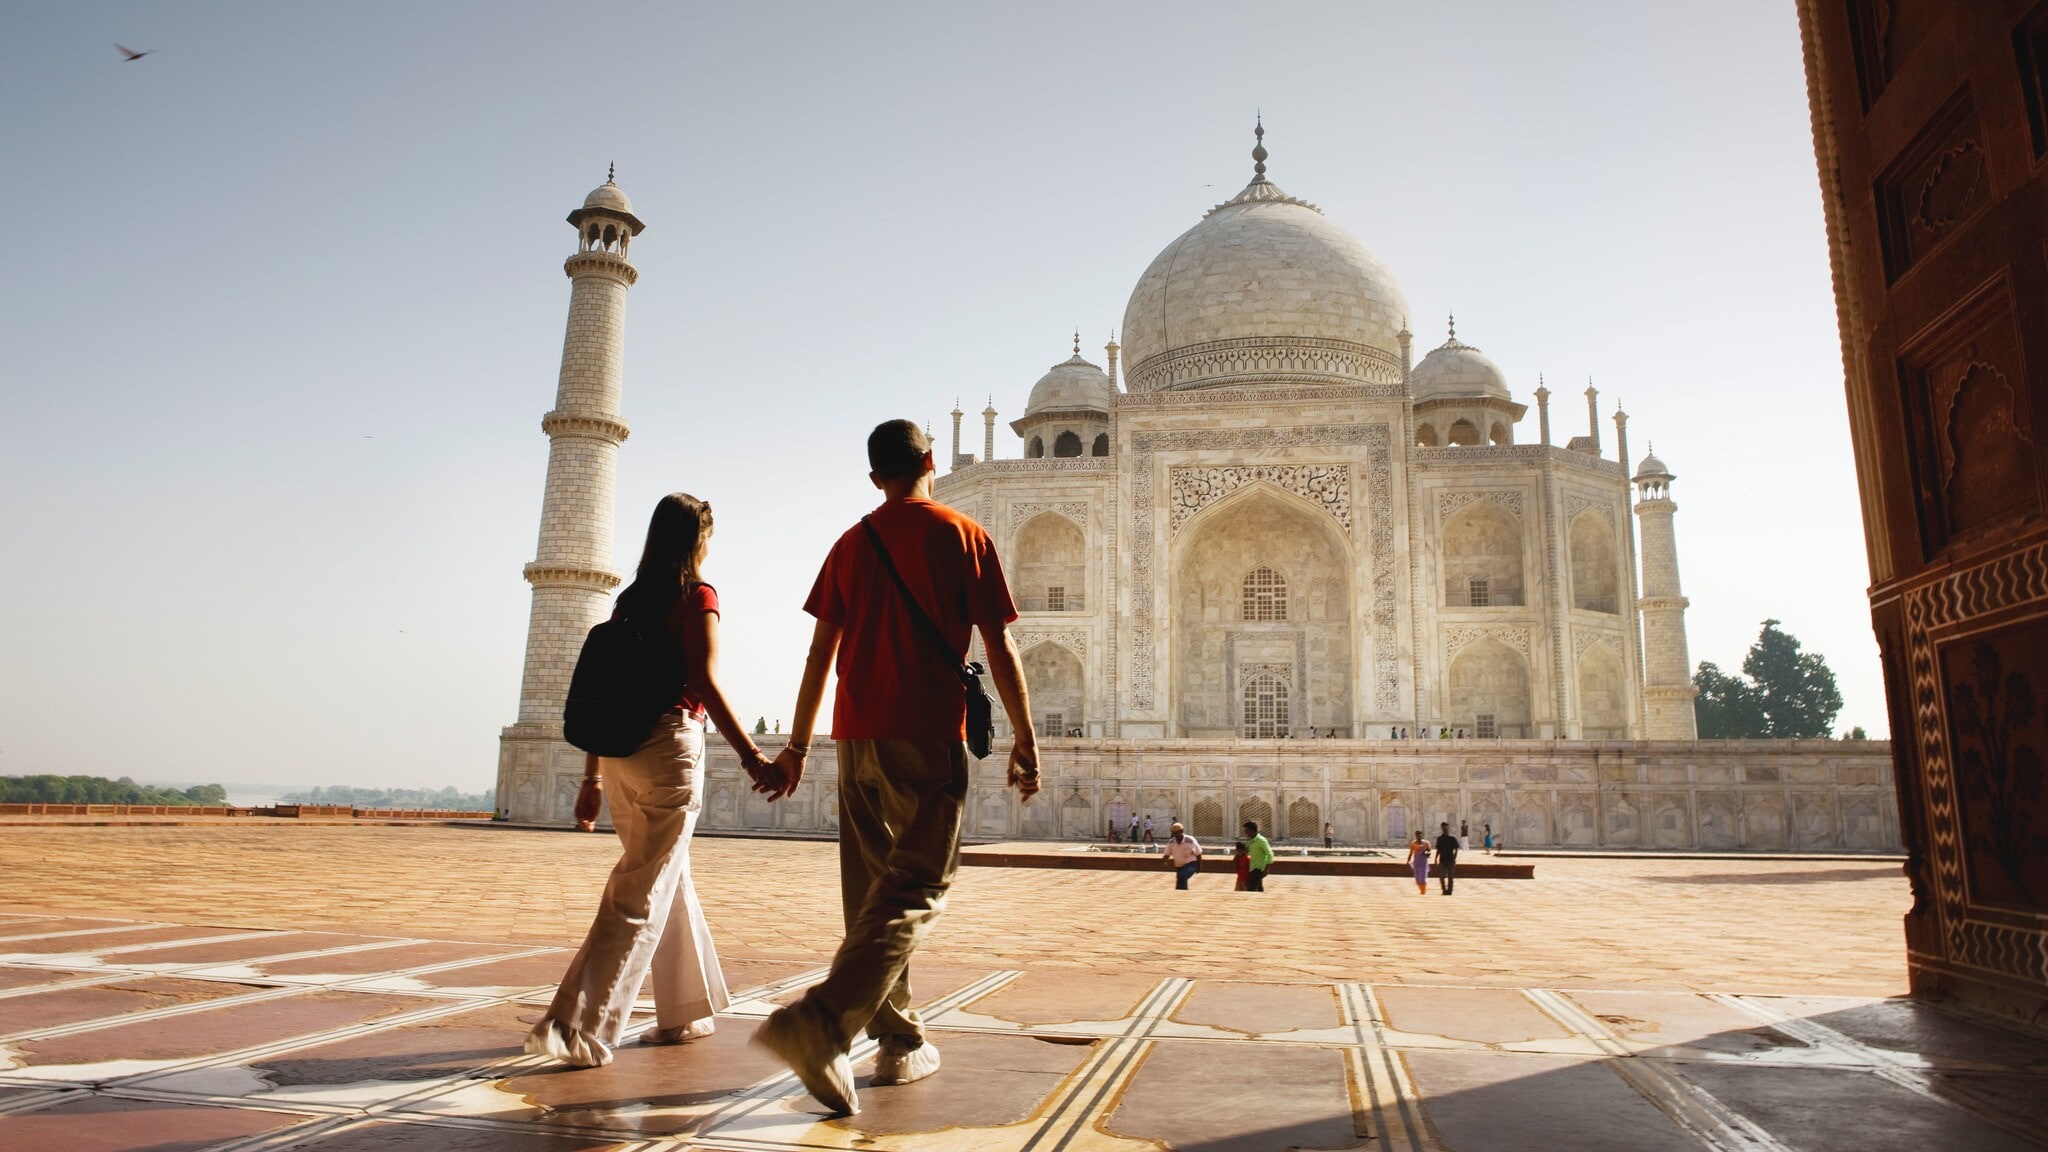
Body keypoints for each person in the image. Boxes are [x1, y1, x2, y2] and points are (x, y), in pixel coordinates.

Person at [751, 420, 1039, 1116]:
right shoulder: (962, 535)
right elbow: (998, 647)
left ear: (875, 477)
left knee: (873, 890)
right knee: (918, 885)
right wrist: (1026, 736)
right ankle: (824, 1024)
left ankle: (898, 1036)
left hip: (855, 736)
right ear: (932, 462)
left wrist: (796, 746)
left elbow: (819, 655)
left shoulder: (850, 543)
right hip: (926, 731)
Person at [526, 493, 766, 1069]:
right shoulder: (697, 596)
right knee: (640, 891)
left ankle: (686, 1009)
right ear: (699, 539)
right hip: (668, 749)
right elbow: (703, 680)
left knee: (664, 877)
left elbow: (604, 684)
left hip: (619, 755)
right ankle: (577, 1026)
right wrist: (754, 756)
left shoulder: (630, 599)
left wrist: (593, 777)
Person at [1162, 822, 1202, 889]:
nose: (1176, 835)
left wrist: (1199, 867)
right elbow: (1167, 854)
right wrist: (1165, 860)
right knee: (1180, 879)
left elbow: (1198, 853)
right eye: (1174, 833)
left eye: (1177, 833)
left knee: (1182, 875)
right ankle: (1181, 894)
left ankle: (1182, 893)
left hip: (1192, 864)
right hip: (1179, 866)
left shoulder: (1190, 840)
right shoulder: (1171, 842)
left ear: (1182, 831)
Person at [1242, 820, 1273, 892]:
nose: (1246, 833)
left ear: (1252, 831)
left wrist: (1266, 869)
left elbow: (1270, 854)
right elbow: (1247, 851)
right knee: (1258, 889)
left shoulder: (1261, 841)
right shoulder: (1251, 841)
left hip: (1258, 869)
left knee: (1251, 889)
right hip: (1252, 867)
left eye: (1247, 831)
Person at [1434, 820, 1461, 895]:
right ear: (1441, 828)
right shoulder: (1440, 838)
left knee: (1450, 876)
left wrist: (1454, 858)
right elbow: (1438, 849)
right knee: (1441, 876)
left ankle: (1449, 891)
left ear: (1448, 828)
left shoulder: (1452, 838)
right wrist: (1436, 858)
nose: (1444, 829)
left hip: (1450, 859)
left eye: (1446, 827)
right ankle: (1444, 889)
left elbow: (1456, 849)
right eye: (1443, 828)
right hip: (1442, 859)